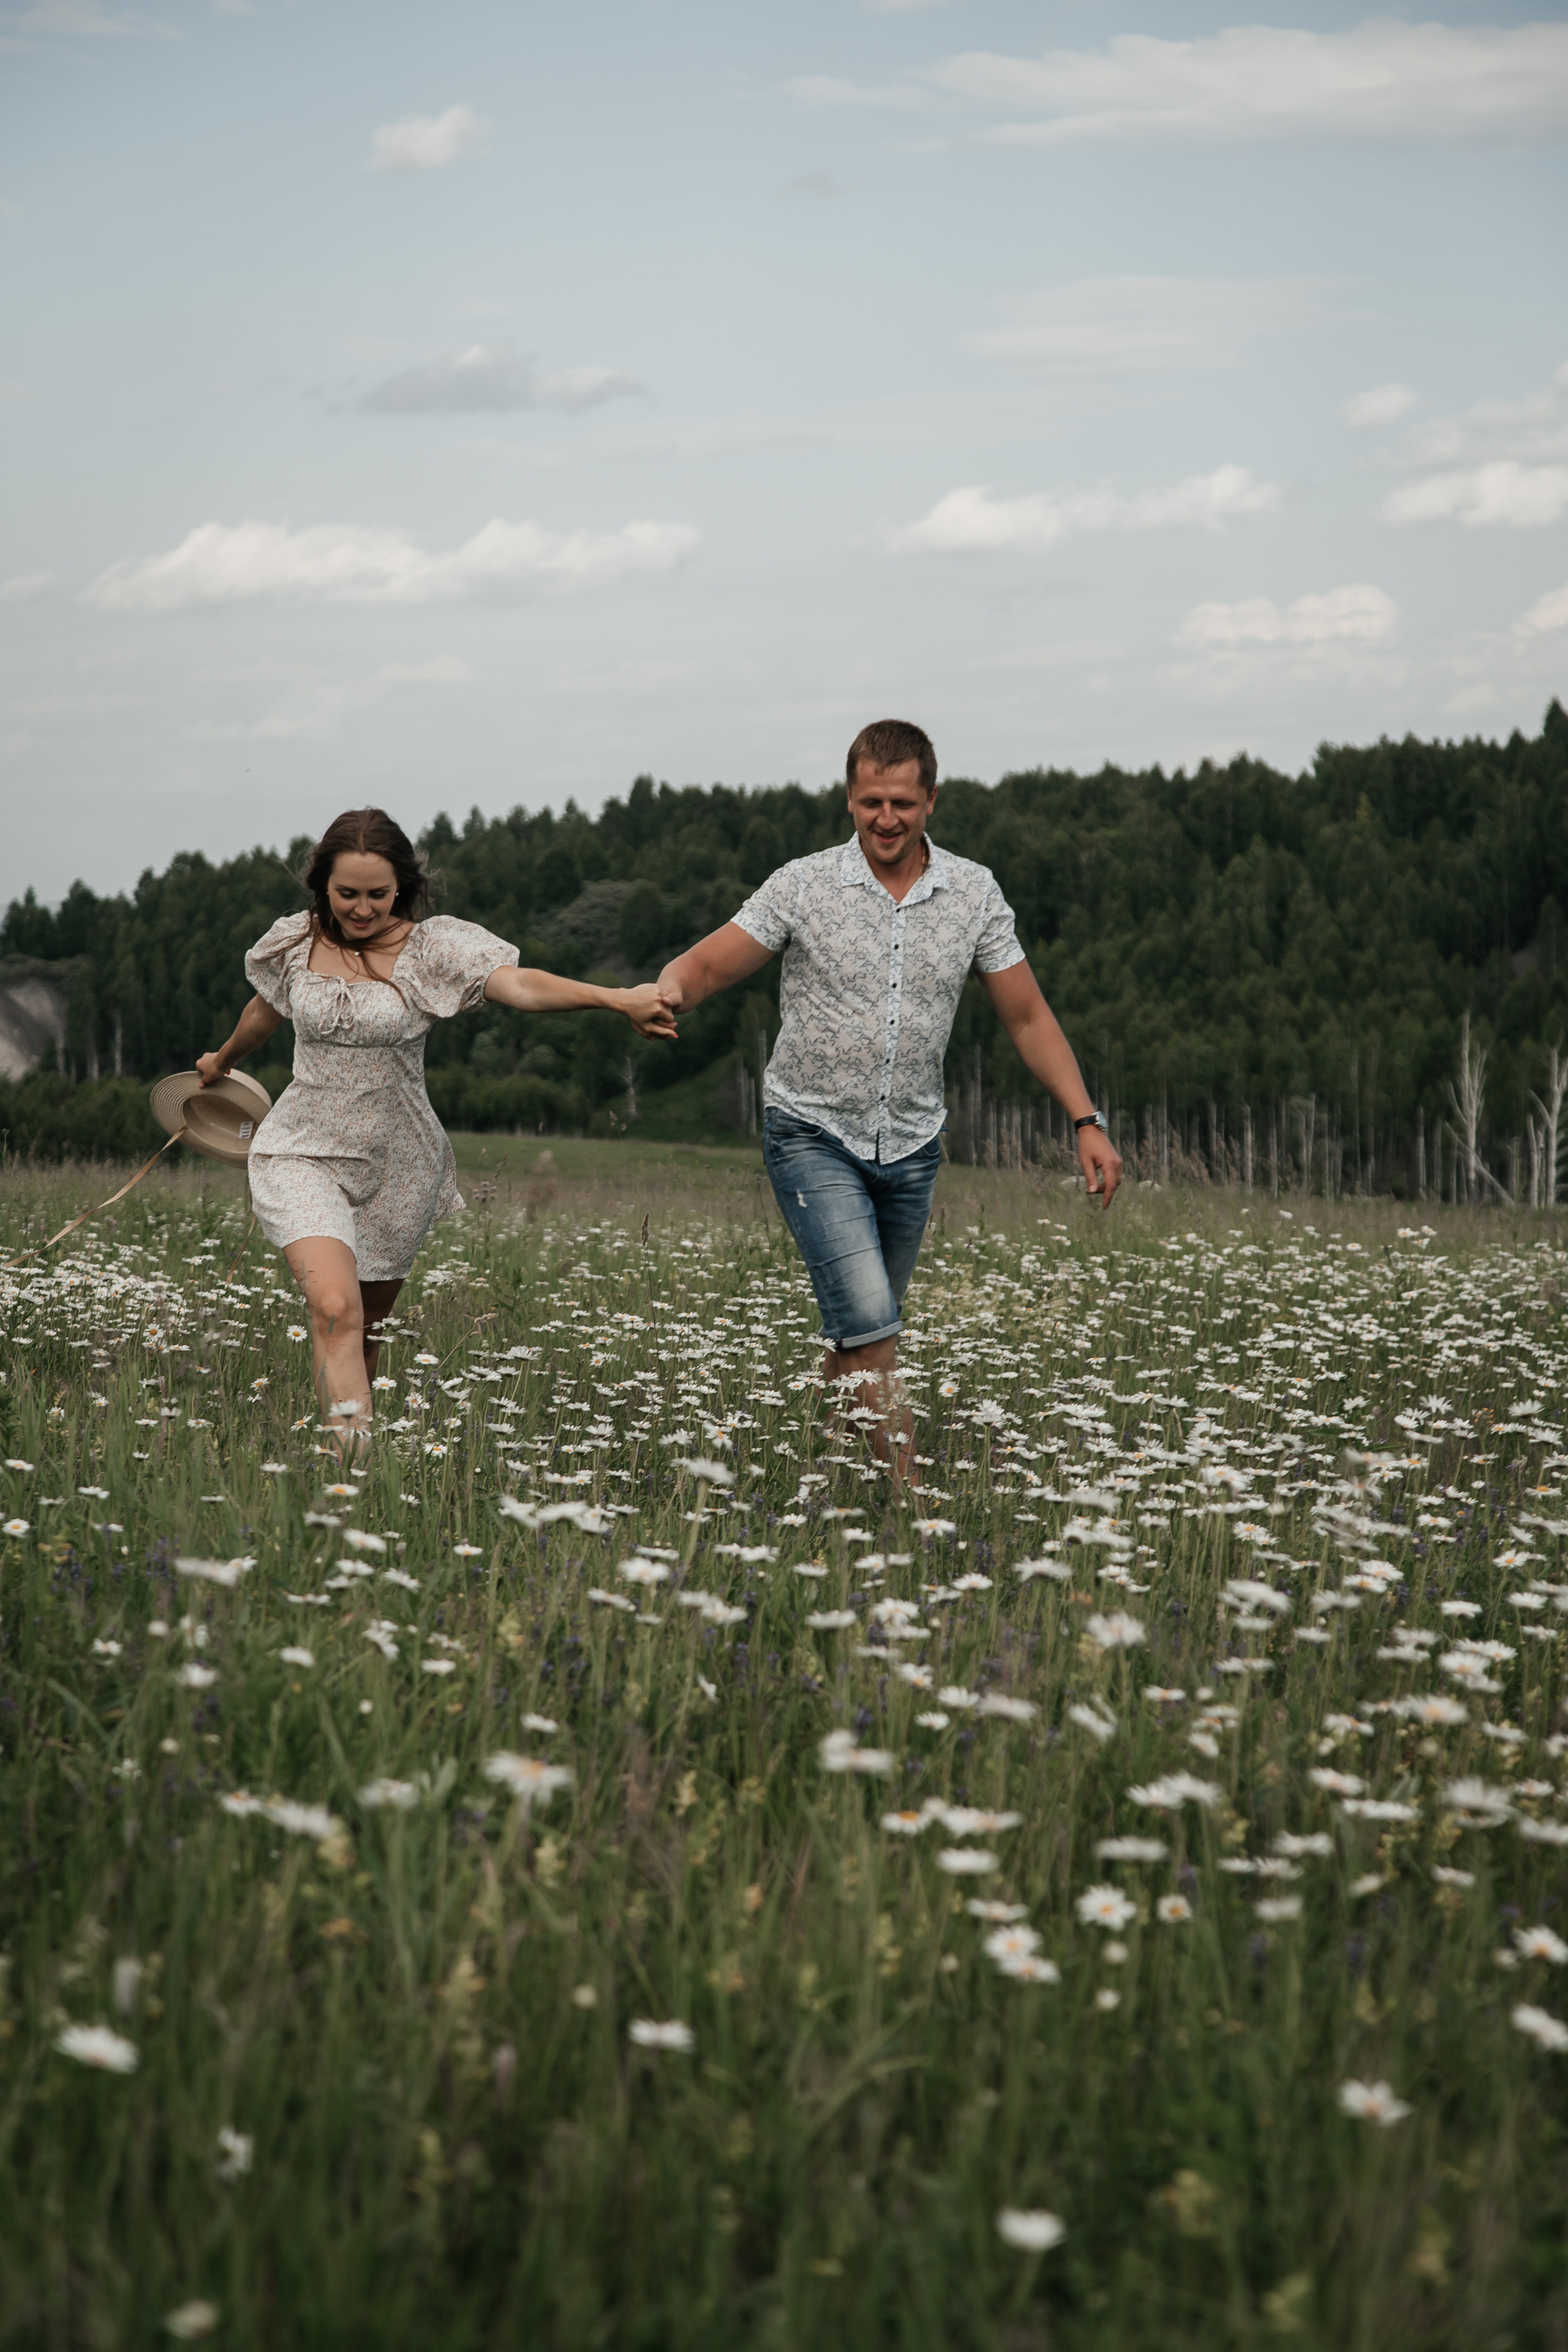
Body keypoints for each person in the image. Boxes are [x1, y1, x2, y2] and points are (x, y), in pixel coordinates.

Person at [656, 719, 1121, 1480]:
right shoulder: (802, 884)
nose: (886, 818)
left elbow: (1028, 1016)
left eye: (902, 802)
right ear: (849, 800)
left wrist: (1086, 1121)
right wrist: (666, 993)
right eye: (871, 801)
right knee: (875, 1331)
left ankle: (818, 1482)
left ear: (931, 799)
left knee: (855, 1339)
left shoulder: (973, 893)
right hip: (811, 1132)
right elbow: (707, 965)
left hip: (910, 1148)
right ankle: (909, 1513)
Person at [197, 807, 674, 1460]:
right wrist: (223, 1060)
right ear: (321, 887)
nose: (361, 909)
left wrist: (615, 998)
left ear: (402, 887)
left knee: (365, 1329)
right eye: (347, 894)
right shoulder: (294, 942)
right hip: (301, 1148)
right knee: (335, 1309)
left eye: (377, 894)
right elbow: (265, 1009)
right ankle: (355, 1478)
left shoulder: (434, 949)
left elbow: (522, 988)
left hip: (400, 1162)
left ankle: (347, 1468)